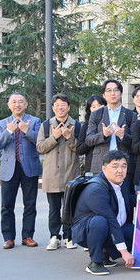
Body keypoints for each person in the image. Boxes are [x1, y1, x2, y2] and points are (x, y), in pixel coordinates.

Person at [71, 150, 136, 276]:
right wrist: (124, 252)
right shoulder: (96, 189)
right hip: (87, 231)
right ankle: (95, 262)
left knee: (136, 235)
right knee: (100, 221)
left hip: (112, 226)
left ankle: (105, 252)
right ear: (104, 169)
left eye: (124, 166)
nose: (120, 170)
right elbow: (110, 219)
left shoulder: (122, 181)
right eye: (115, 166)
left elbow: (126, 200)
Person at [0, 92, 42, 249]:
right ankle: (8, 238)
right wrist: (8, 131)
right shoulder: (2, 124)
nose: (17, 105)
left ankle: (28, 236)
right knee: (7, 205)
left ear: (26, 104)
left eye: (21, 101)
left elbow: (40, 143)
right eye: (14, 102)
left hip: (29, 167)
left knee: (30, 204)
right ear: (9, 105)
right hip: (9, 168)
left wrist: (26, 130)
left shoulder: (34, 121)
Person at [36, 93, 80, 250]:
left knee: (70, 208)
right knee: (53, 209)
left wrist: (69, 138)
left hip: (70, 173)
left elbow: (81, 149)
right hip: (52, 174)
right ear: (53, 107)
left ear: (68, 107)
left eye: (63, 104)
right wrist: (53, 137)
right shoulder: (46, 125)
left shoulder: (77, 125)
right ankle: (54, 237)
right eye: (57, 105)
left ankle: (69, 237)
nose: (60, 107)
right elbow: (40, 148)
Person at [86, 79, 135, 192]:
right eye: (109, 90)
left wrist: (122, 136)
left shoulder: (130, 115)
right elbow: (89, 140)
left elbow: (135, 142)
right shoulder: (96, 114)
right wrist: (103, 135)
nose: (112, 93)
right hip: (101, 163)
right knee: (100, 196)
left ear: (121, 93)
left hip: (123, 165)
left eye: (116, 90)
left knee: (123, 198)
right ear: (104, 95)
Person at [77, 94, 106, 175]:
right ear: (89, 110)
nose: (97, 109)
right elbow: (80, 150)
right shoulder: (86, 126)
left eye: (99, 105)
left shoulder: (112, 123)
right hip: (92, 167)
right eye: (93, 107)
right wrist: (92, 139)